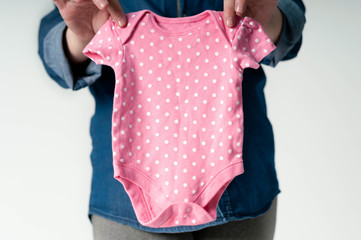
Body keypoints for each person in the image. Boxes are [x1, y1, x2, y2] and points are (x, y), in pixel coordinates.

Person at [38, 0, 305, 239]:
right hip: (124, 197)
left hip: (243, 184)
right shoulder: (125, 33)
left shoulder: (227, 30)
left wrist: (264, 18)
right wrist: (81, 35)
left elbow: (289, 25)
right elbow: (55, 53)